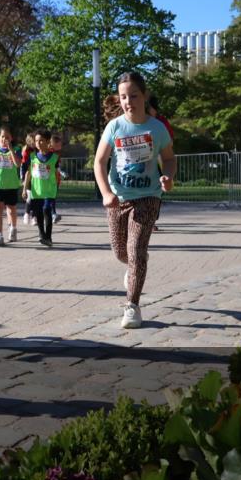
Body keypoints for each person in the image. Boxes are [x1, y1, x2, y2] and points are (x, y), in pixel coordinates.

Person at [94, 71, 175, 329]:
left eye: (134, 96)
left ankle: (132, 306)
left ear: (145, 95)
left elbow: (170, 159)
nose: (128, 101)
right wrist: (107, 193)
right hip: (118, 199)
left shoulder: (157, 128)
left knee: (136, 250)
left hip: (148, 197)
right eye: (123, 97)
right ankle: (135, 266)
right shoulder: (115, 126)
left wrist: (168, 177)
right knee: (121, 253)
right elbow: (99, 162)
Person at [22, 129, 59, 247]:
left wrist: (57, 184)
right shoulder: (32, 157)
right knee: (38, 213)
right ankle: (42, 235)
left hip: (49, 190)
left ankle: (48, 237)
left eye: (41, 140)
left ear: (48, 141)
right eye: (36, 141)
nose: (38, 143)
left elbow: (57, 172)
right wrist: (24, 189)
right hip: (36, 191)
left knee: (46, 210)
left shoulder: (54, 157)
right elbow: (28, 173)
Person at [147, 95, 175, 232]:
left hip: (157, 159)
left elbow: (170, 143)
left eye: (149, 108)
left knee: (156, 192)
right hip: (141, 163)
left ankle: (151, 221)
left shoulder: (161, 122)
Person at [21, 133, 37, 226]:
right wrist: (23, 179)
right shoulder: (26, 151)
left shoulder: (37, 149)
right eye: (33, 141)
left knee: (36, 196)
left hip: (35, 174)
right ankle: (27, 214)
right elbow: (24, 167)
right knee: (30, 196)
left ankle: (34, 216)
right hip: (27, 173)